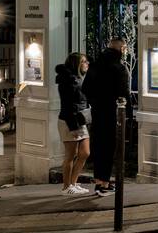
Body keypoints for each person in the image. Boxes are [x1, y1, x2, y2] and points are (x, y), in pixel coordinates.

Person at [83, 37, 132, 196]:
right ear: (121, 49)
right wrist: (127, 113)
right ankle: (104, 183)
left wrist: (95, 102)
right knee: (109, 148)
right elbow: (124, 94)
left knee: (98, 146)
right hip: (112, 113)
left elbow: (85, 89)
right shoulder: (118, 68)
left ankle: (99, 182)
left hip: (98, 111)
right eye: (124, 49)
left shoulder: (95, 66)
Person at [55, 52, 93, 196]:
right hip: (69, 121)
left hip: (80, 119)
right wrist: (73, 126)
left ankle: (73, 183)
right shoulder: (68, 81)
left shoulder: (80, 79)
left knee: (85, 153)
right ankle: (66, 187)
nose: (87, 64)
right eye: (84, 61)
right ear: (76, 64)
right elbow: (68, 105)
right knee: (71, 155)